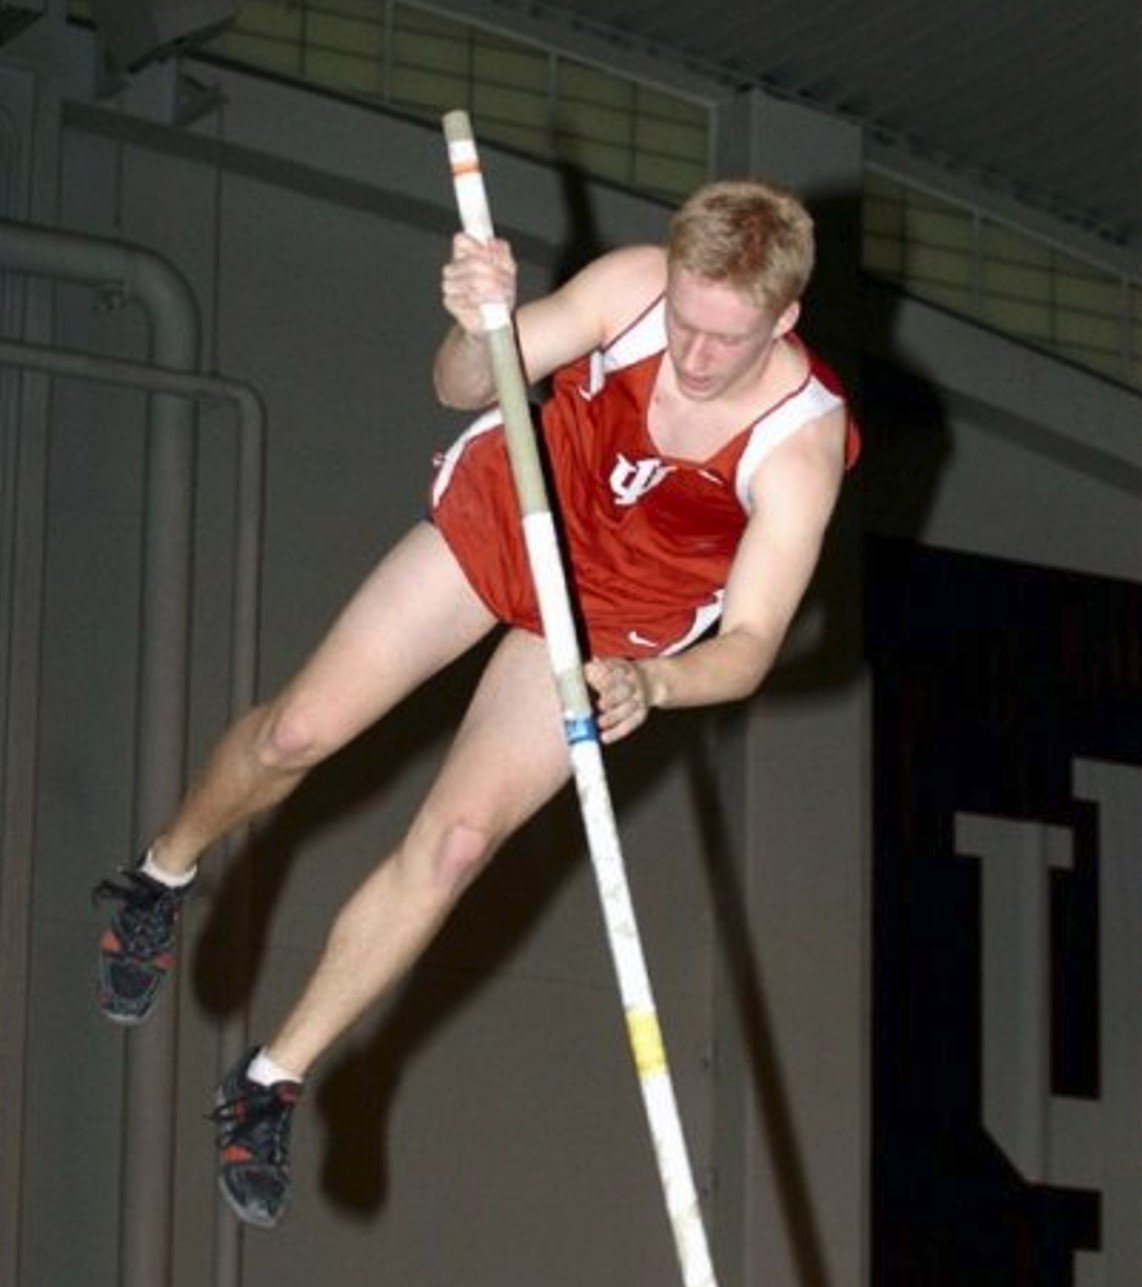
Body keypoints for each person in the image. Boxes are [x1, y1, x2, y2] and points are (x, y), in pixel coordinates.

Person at [93, 178, 860, 1228]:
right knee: (297, 732)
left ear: (784, 321)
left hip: (614, 621)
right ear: (669, 278)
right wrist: (472, 325)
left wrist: (656, 683)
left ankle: (270, 1080)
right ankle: (154, 878)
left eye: (725, 341)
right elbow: (461, 386)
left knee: (454, 846)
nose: (691, 357)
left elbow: (754, 643)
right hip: (522, 508)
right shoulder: (630, 287)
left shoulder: (798, 445)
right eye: (682, 321)